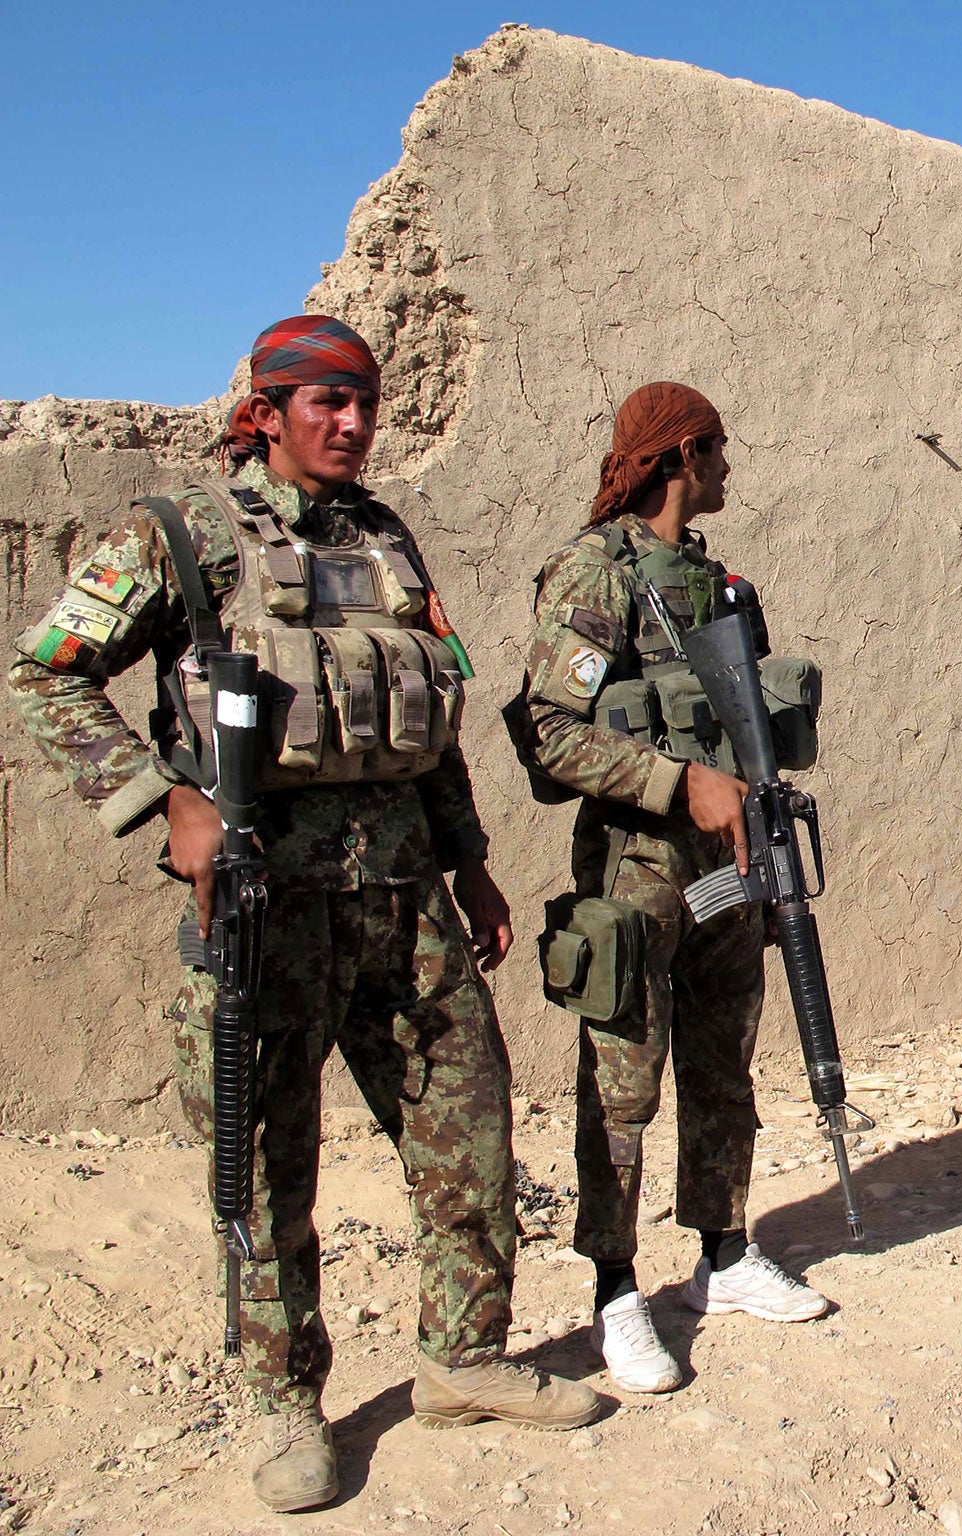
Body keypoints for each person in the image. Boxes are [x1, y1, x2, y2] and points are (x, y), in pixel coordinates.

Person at [5, 316, 596, 1513]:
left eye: (364, 401)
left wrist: (469, 861)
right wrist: (158, 798)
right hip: (266, 904)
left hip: (404, 904)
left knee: (470, 1138)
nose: (351, 422)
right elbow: (44, 672)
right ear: (264, 412)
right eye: (324, 401)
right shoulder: (177, 533)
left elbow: (429, 712)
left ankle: (462, 1358)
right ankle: (284, 1399)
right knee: (271, 1166)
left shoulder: (384, 539)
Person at [519, 382, 829, 1395]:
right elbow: (548, 732)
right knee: (623, 1085)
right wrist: (674, 782)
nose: (729, 467)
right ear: (679, 457)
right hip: (637, 863)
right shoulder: (593, 570)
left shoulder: (712, 581)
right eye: (718, 450)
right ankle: (616, 1290)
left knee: (721, 1062)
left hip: (727, 861)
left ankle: (724, 1255)